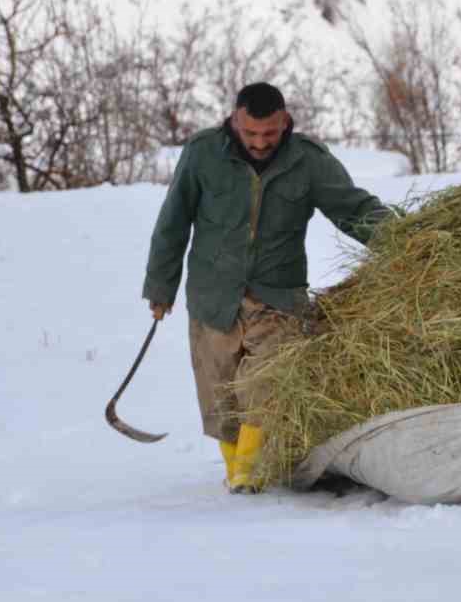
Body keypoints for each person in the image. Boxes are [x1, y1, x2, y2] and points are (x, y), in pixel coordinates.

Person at [143, 82, 396, 493]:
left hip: (278, 297)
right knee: (220, 394)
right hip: (213, 296)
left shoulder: (308, 161)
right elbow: (172, 223)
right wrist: (160, 287)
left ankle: (248, 474)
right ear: (234, 121)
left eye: (270, 134)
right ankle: (237, 469)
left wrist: (403, 239)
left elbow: (353, 208)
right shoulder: (203, 153)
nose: (261, 143)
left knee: (266, 383)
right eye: (251, 134)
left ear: (285, 123)